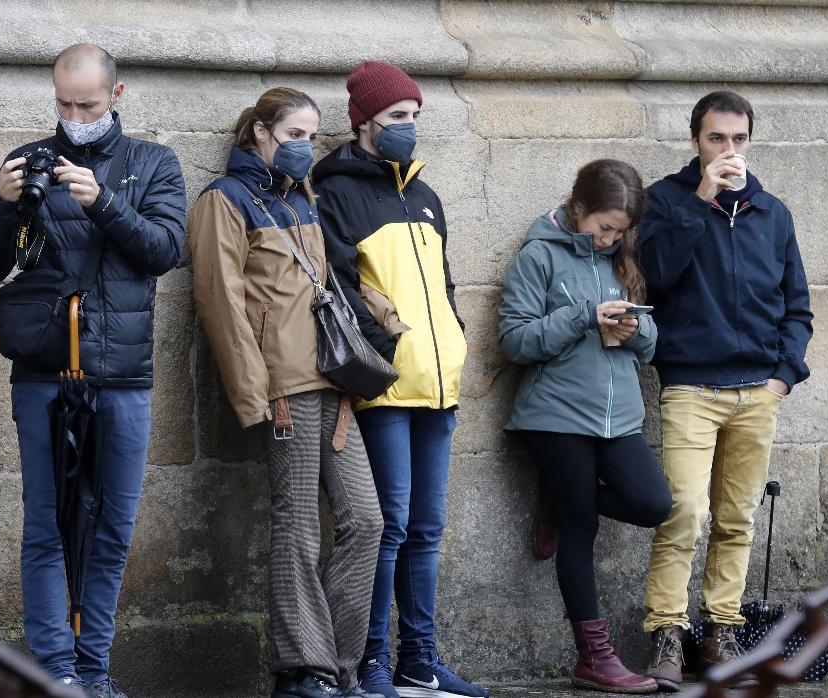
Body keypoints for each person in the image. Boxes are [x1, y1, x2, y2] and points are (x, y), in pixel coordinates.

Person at [0, 43, 186, 698]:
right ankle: (56, 672)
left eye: (87, 105)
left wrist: (103, 204)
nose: (74, 115)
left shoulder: (153, 163)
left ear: (116, 95)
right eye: (63, 104)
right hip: (43, 373)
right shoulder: (26, 162)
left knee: (112, 526)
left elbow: (166, 250)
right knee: (46, 525)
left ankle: (94, 671)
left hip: (122, 375)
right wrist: (0, 202)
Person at [187, 87, 383, 698]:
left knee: (367, 521)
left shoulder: (302, 198)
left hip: (333, 380)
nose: (304, 147)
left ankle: (341, 667)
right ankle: (302, 671)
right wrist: (254, 394)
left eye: (311, 137)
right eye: (294, 135)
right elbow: (221, 304)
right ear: (259, 133)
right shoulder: (224, 200)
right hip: (284, 389)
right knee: (298, 527)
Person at [313, 60, 486, 698]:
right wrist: (385, 347)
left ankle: (420, 655)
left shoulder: (427, 196)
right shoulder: (335, 193)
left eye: (413, 117)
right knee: (390, 527)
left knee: (427, 529)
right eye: (395, 119)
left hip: (439, 387)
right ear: (364, 122)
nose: (408, 129)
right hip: (385, 388)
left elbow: (440, 287)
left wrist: (456, 341)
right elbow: (335, 286)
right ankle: (373, 659)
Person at [638, 91, 813, 691]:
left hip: (757, 390)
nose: (728, 151)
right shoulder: (665, 200)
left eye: (738, 139)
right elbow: (655, 274)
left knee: (736, 518)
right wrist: (703, 198)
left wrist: (783, 375)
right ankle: (666, 633)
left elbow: (797, 305)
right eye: (717, 139)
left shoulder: (774, 212)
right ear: (696, 141)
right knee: (683, 512)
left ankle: (723, 631)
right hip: (691, 386)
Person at [500, 160, 670, 694]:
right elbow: (515, 341)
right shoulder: (538, 255)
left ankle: (565, 496)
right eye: (603, 227)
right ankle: (594, 659)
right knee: (581, 529)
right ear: (578, 209)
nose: (610, 238)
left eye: (620, 231)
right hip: (555, 415)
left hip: (617, 418)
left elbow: (652, 343)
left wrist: (634, 330)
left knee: (654, 504)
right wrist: (583, 317)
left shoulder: (621, 259)